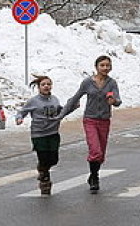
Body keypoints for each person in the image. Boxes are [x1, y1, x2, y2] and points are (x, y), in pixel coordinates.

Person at [57, 55, 121, 192]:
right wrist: (61, 115)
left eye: (108, 65)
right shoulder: (87, 82)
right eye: (102, 65)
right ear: (96, 67)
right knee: (95, 150)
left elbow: (118, 100)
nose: (105, 68)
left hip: (104, 121)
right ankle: (94, 177)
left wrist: (113, 101)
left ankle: (93, 174)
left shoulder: (112, 83)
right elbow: (74, 99)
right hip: (90, 120)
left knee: (101, 153)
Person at [16, 75, 63, 196]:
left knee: (53, 159)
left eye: (48, 84)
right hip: (39, 134)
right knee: (43, 158)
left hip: (53, 133)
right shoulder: (34, 101)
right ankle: (45, 181)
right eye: (43, 84)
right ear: (39, 87)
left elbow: (60, 111)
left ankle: (42, 168)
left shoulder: (55, 99)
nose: (46, 86)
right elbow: (22, 111)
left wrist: (71, 107)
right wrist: (19, 118)